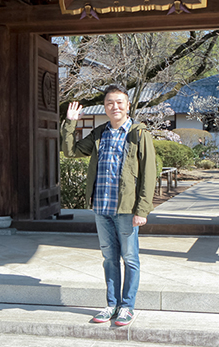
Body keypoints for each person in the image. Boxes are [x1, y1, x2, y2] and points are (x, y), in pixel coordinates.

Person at [61, 84, 157, 326]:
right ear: (104, 107)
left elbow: (148, 174)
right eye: (109, 103)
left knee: (130, 258)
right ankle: (111, 304)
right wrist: (70, 123)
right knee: (109, 259)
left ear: (127, 106)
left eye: (119, 102)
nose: (115, 107)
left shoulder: (138, 133)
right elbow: (70, 151)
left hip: (126, 209)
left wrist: (142, 210)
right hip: (102, 208)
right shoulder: (100, 133)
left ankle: (127, 306)